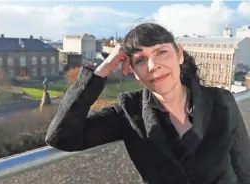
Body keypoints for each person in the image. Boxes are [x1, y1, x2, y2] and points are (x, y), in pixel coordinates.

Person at [45, 23, 250, 184]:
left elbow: (245, 168)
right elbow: (61, 136)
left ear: (178, 54)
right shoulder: (129, 112)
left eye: (161, 52)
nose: (153, 66)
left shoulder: (221, 101)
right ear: (132, 71)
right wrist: (103, 69)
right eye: (141, 60)